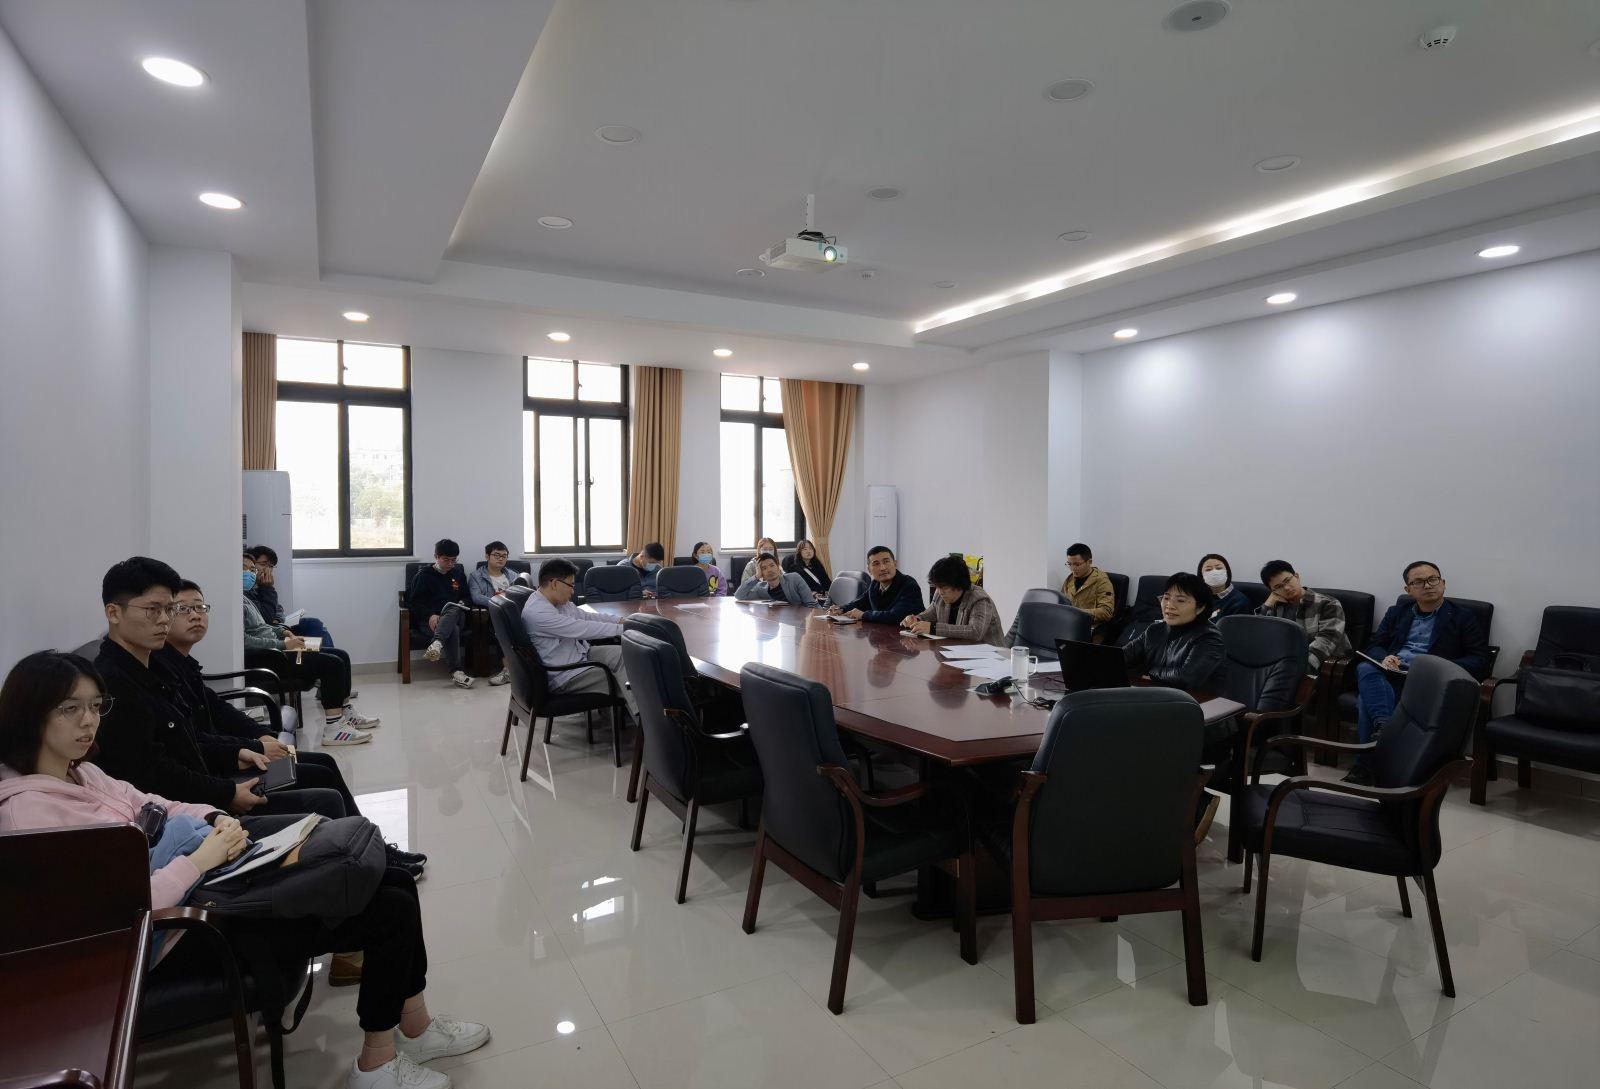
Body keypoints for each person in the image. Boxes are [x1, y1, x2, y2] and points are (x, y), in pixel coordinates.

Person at [0, 651, 489, 1089]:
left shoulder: (81, 771)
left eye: (94, 706)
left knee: (393, 881)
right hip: (170, 937)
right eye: (70, 709)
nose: (88, 721)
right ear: (30, 714)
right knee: (388, 907)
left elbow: (155, 802)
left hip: (204, 888)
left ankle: (415, 1027)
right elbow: (113, 913)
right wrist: (201, 858)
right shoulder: (31, 816)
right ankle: (376, 1066)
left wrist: (214, 818)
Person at [158, 579, 427, 878]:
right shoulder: (161, 673)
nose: (196, 615)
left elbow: (218, 708)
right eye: (184, 609)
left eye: (200, 607)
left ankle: (376, 849)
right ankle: (372, 859)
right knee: (324, 782)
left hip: (232, 755)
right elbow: (192, 741)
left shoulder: (183, 663)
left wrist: (263, 736)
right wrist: (253, 747)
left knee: (325, 760)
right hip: (223, 773)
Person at [92, 557, 342, 820]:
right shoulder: (112, 684)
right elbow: (153, 774)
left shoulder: (152, 666)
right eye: (153, 610)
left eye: (169, 609)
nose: (164, 619)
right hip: (198, 812)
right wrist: (227, 791)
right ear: (114, 613)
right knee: (326, 796)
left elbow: (190, 737)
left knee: (322, 768)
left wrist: (242, 750)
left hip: (213, 779)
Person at [1349, 561, 1490, 785]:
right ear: (1408, 589)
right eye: (1419, 582)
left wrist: (1432, 666)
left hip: (1427, 680)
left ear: (1443, 583)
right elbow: (1376, 645)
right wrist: (1385, 657)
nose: (1428, 585)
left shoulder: (1463, 616)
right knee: (1365, 667)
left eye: (1433, 579)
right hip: (1393, 672)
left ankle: (1365, 764)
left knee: (1365, 701)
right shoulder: (1397, 612)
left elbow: (1479, 659)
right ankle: (1383, 731)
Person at [244, 554, 378, 734]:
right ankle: (334, 728)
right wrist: (283, 644)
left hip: (280, 644)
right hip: (272, 654)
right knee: (332, 663)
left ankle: (346, 712)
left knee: (341, 655)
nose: (250, 573)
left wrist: (282, 631)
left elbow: (264, 624)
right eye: (245, 568)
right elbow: (245, 640)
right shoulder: (237, 601)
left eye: (252, 569)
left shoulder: (246, 596)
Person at [521, 559, 638, 719]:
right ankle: (645, 723)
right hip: (567, 675)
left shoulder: (559, 602)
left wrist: (621, 621)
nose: (573, 591)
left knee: (627, 656)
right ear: (554, 583)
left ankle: (639, 715)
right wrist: (624, 629)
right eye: (571, 585)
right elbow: (584, 628)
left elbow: (587, 617)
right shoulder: (538, 613)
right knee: (631, 678)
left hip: (580, 655)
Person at [1122, 572, 1228, 693]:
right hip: (1158, 695)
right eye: (1166, 598)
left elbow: (1186, 677)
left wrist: (1149, 673)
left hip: (1197, 701)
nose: (1169, 605)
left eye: (1180, 600)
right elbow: (1122, 657)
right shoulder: (1154, 630)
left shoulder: (1209, 637)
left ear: (1200, 607)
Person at [1255, 560, 1351, 675]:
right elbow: (1257, 636)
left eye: (1287, 580)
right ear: (1272, 591)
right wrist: (1266, 606)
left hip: (1323, 668)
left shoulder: (1328, 604)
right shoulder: (1276, 606)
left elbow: (1326, 642)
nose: (1286, 588)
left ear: (1296, 576)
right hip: (1283, 666)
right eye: (1278, 587)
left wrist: (1294, 668)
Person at [409, 539, 475, 688]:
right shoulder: (423, 576)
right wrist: (430, 615)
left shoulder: (458, 574)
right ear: (436, 557)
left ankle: (437, 642)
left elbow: (467, 597)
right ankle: (457, 672)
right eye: (446, 560)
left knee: (453, 607)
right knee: (452, 629)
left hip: (457, 616)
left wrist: (462, 602)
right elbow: (414, 603)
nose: (450, 564)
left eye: (454, 560)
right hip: (431, 621)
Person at [246, 544, 337, 648]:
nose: (267, 570)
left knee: (314, 623)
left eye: (271, 566)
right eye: (263, 564)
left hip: (278, 626)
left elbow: (278, 609)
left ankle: (322, 652)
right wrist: (267, 588)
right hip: (267, 633)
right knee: (316, 628)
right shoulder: (249, 587)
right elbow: (266, 618)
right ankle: (323, 654)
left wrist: (277, 619)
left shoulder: (260, 586)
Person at [904, 555, 1004, 645]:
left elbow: (975, 632)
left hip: (990, 655)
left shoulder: (979, 599)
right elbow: (931, 613)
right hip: (956, 652)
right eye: (937, 586)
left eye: (944, 587)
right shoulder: (940, 594)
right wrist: (916, 619)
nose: (940, 592)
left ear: (959, 584)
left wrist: (933, 628)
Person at [829, 546, 924, 625]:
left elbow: (896, 616)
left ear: (895, 564)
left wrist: (863, 615)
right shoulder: (875, 584)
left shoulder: (909, 585)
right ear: (869, 570)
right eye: (876, 564)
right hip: (882, 635)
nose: (883, 568)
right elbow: (859, 602)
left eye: (886, 561)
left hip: (907, 638)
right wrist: (841, 609)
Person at [467, 541, 515, 686]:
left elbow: (523, 593)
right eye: (496, 555)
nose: (501, 559)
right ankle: (508, 670)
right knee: (502, 627)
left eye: (504, 556)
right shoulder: (476, 576)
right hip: (492, 613)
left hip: (514, 611)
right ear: (487, 556)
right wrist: (499, 602)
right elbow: (476, 597)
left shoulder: (513, 575)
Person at [1060, 544, 1116, 632]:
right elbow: (1061, 601)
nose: (1072, 568)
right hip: (1069, 625)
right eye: (1069, 564)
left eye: (1077, 564)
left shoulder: (1102, 581)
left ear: (1089, 562)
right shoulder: (1070, 579)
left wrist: (1077, 613)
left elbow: (1106, 612)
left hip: (1089, 628)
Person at [734, 553, 814, 605]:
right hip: (777, 621)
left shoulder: (794, 578)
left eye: (772, 565)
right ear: (761, 573)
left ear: (778, 567)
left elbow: (811, 603)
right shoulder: (760, 589)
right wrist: (757, 576)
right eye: (764, 568)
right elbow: (739, 595)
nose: (769, 570)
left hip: (801, 620)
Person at [1198, 553, 1253, 622]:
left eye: (1219, 568)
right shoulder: (1198, 598)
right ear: (1202, 575)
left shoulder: (1240, 602)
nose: (1214, 572)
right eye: (1208, 569)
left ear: (1227, 572)